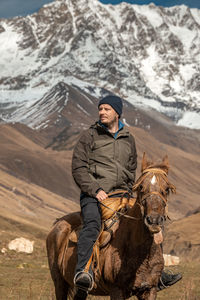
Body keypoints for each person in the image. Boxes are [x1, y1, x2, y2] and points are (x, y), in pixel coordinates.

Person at [72, 95, 181, 296]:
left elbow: (131, 169)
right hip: (95, 195)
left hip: (123, 193)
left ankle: (158, 272)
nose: (102, 112)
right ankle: (84, 272)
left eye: (106, 109)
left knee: (150, 219)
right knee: (93, 224)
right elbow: (78, 168)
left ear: (117, 112)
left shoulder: (128, 138)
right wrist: (95, 189)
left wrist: (130, 191)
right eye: (100, 109)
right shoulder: (90, 136)